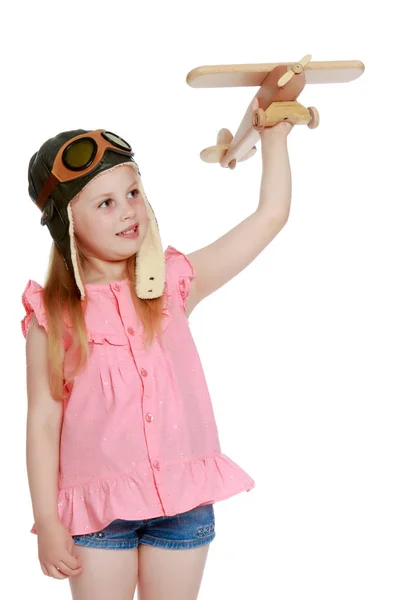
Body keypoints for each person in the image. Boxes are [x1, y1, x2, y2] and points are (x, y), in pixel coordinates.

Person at [23, 117, 292, 600]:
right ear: (67, 221)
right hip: (98, 511)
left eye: (133, 193)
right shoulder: (54, 313)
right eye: (106, 203)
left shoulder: (172, 284)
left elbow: (270, 216)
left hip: (182, 504)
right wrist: (46, 518)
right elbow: (44, 419)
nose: (129, 212)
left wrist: (273, 137)